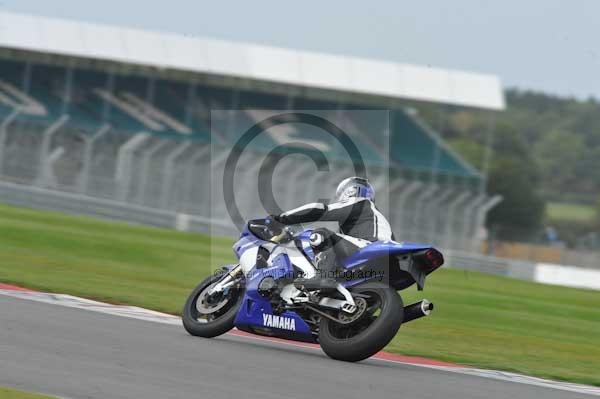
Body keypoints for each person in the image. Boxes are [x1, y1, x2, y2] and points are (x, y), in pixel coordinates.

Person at [272, 177, 394, 290]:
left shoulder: (361, 203)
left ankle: (323, 277)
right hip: (382, 264)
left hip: (367, 248)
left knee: (321, 234)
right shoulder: (375, 217)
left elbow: (318, 210)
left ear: (350, 191)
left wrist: (280, 219)